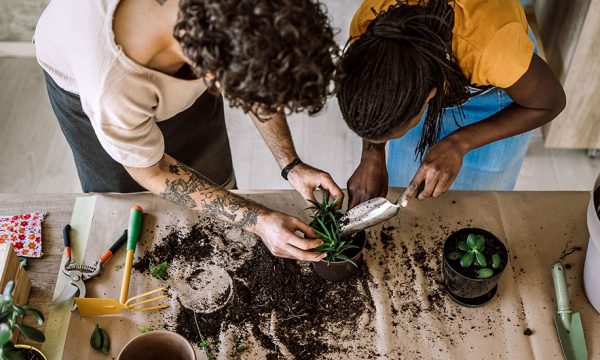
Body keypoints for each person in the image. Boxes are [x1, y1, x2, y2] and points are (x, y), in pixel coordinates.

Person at [34, 0, 344, 261]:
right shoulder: (111, 91)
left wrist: (291, 164)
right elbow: (152, 172)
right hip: (79, 82)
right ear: (214, 78)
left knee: (212, 176)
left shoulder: (215, 24)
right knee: (135, 211)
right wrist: (259, 221)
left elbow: (263, 62)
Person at [337, 0, 566, 209]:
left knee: (477, 204)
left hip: (497, 96)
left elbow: (550, 102)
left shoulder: (495, 49)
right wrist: (372, 153)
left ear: (430, 96)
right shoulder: (369, 27)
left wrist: (459, 143)